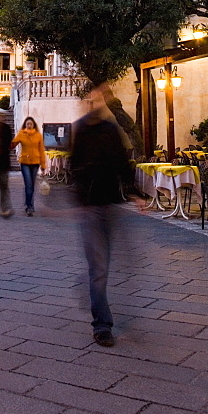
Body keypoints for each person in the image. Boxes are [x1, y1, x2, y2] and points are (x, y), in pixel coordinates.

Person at [70, 85, 139, 348]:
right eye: (94, 96)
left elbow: (121, 162)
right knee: (99, 268)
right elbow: (73, 166)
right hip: (89, 207)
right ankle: (102, 325)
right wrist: (78, 200)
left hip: (109, 205)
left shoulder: (111, 130)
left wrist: (135, 193)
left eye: (102, 96)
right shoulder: (80, 128)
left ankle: (89, 287)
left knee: (109, 264)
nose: (98, 100)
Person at [11, 117, 47, 216]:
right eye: (27, 124)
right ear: (25, 125)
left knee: (32, 185)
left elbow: (41, 150)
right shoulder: (22, 134)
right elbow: (14, 143)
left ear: (33, 125)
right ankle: (29, 206)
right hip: (25, 162)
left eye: (31, 124)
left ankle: (29, 204)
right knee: (29, 184)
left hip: (35, 162)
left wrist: (43, 165)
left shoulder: (38, 135)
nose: (29, 125)